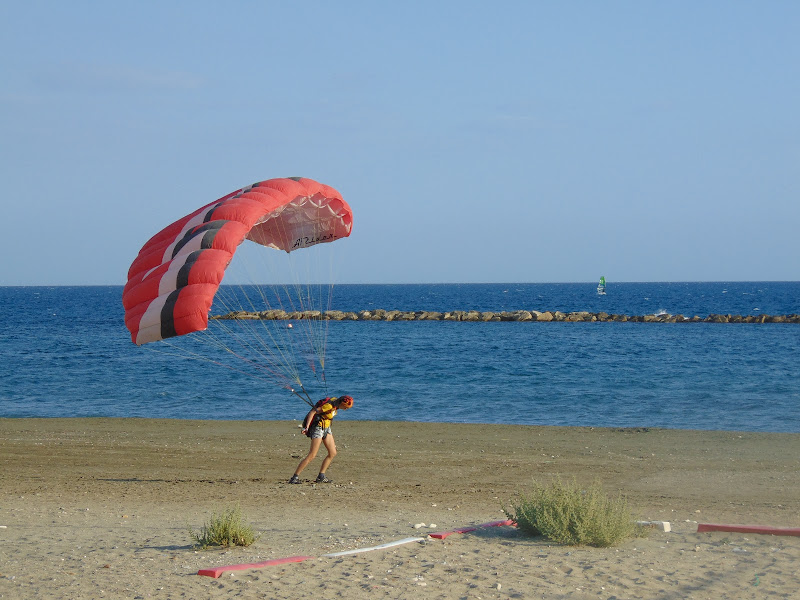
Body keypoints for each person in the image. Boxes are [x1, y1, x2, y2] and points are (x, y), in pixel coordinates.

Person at [288, 395, 353, 484]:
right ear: (341, 403)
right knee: (312, 455)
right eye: (345, 407)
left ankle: (321, 476)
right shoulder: (328, 406)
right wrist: (306, 427)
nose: (345, 409)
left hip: (327, 428)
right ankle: (294, 477)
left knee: (332, 453)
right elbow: (312, 412)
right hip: (318, 428)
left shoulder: (334, 401)